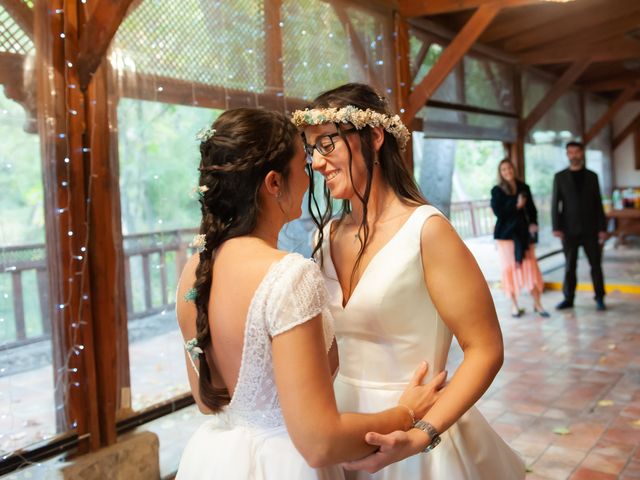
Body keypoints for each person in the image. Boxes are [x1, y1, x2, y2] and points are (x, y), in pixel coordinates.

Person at [175, 108, 443, 479]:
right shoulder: (288, 275)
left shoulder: (194, 272)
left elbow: (209, 401)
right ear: (273, 183)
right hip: (285, 464)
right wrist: (407, 414)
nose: (313, 172)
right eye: (302, 165)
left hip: (218, 460)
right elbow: (319, 443)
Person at [294, 83, 525, 479]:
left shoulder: (427, 230)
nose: (316, 162)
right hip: (343, 427)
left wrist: (421, 435)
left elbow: (486, 349)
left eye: (327, 144)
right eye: (311, 150)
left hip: (417, 432)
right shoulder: (324, 236)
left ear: (374, 136)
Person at [552, 141, 607, 311]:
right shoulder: (559, 177)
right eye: (571, 152)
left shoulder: (592, 176)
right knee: (569, 266)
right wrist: (556, 227)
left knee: (596, 265)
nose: (574, 155)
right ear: (567, 155)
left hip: (591, 229)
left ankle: (599, 298)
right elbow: (555, 203)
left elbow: (598, 203)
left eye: (577, 151)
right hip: (568, 230)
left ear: (582, 153)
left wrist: (602, 228)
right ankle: (568, 298)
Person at [491, 159, 549, 318]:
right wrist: (516, 205)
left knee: (531, 267)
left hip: (524, 233)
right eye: (503, 169)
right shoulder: (497, 190)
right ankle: (514, 306)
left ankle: (538, 304)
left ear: (513, 169)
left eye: (509, 168)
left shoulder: (524, 187)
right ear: (500, 172)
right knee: (510, 268)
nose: (507, 171)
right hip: (506, 235)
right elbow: (499, 212)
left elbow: (532, 210)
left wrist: (534, 224)